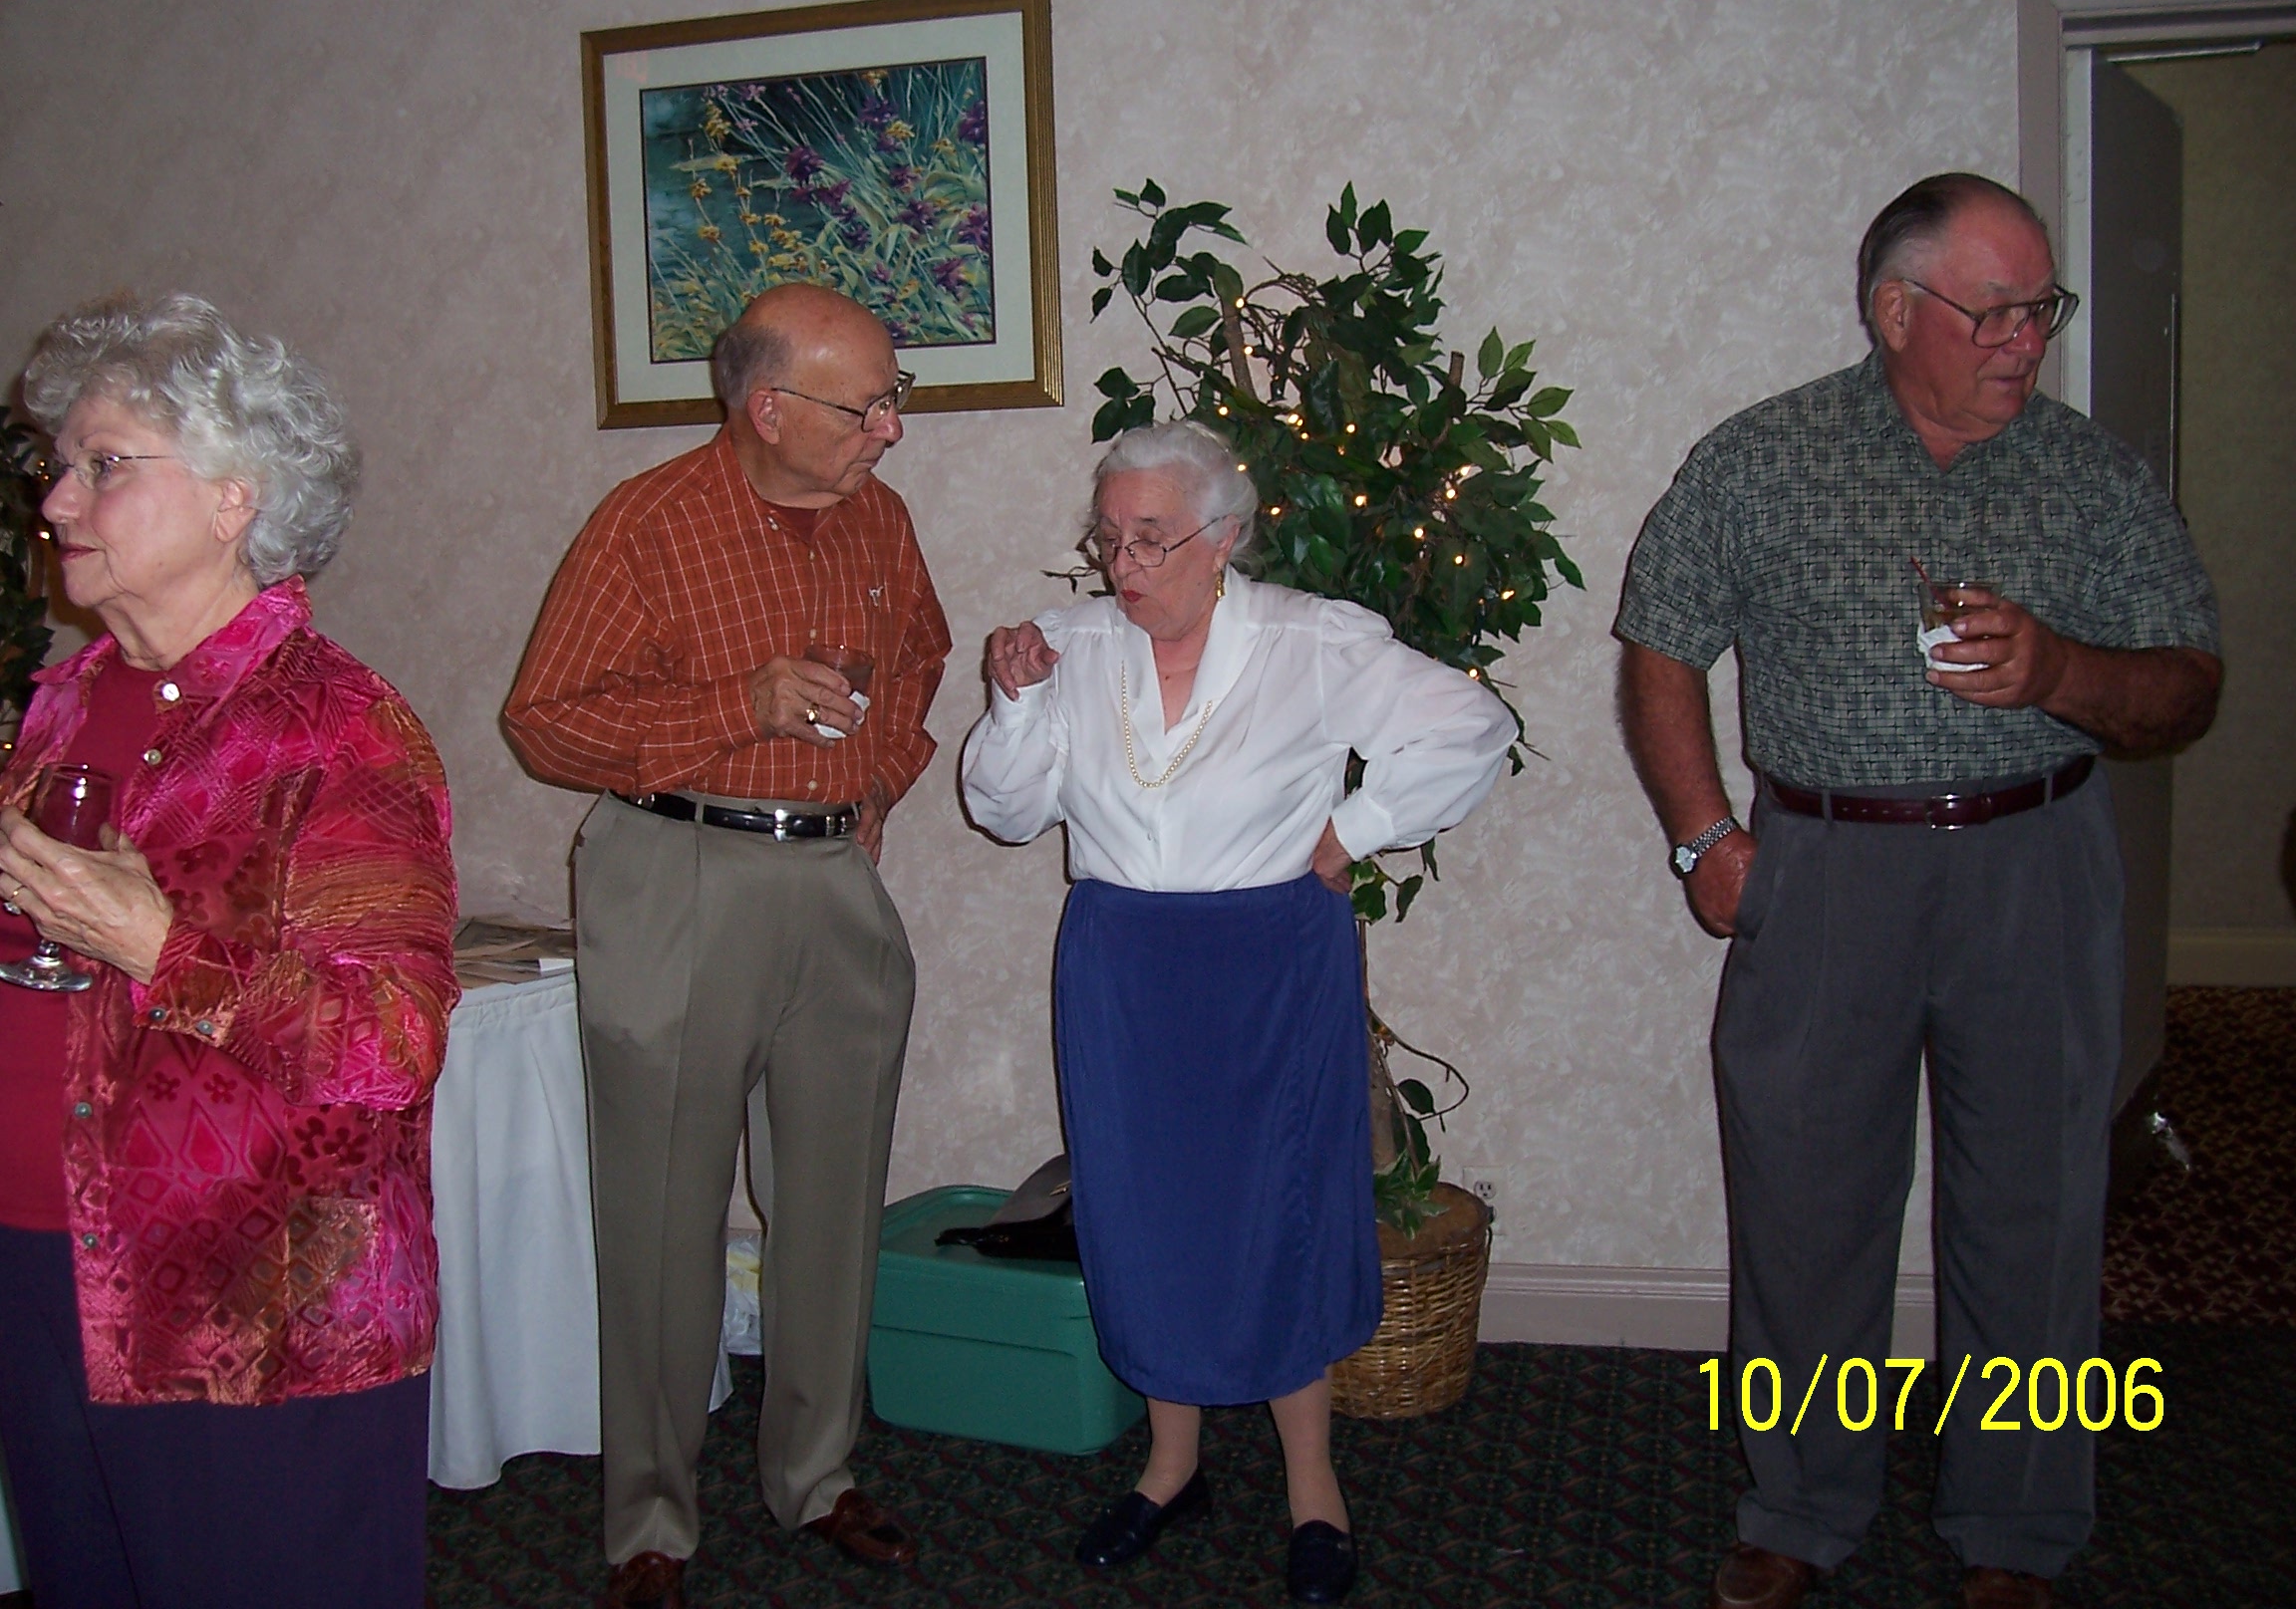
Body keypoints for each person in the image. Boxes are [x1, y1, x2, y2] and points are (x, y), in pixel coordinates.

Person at [1615, 173, 2220, 1609]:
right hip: (1826, 869)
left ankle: (2016, 1527)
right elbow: (1659, 643)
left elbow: (2189, 685)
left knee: (2035, 1211)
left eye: (2040, 310)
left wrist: (2060, 670)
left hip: (2036, 864)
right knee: (1803, 1208)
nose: (2027, 340)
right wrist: (1703, 839)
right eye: (1994, 312)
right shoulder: (1762, 459)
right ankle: (1795, 1503)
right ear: (1896, 312)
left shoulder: (2094, 476)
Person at [961, 421, 1514, 1605]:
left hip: (1269, 962)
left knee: (1281, 1209)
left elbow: (1473, 727)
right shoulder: (1067, 645)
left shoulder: (1311, 640)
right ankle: (1171, 1468)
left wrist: (1354, 831)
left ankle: (1314, 1486)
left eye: (1151, 537)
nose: (1123, 563)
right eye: (1108, 537)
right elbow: (1004, 813)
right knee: (1144, 1210)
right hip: (1122, 966)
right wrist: (1013, 707)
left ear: (1224, 537)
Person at [0, 293, 460, 1609]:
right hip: (42, 1262)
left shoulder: (339, 727)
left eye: (105, 465)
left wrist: (159, 943)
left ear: (232, 499)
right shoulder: (64, 700)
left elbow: (392, 1045)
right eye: (59, 467)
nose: (58, 504)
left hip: (248, 1305)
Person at [502, 282, 951, 1607]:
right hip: (678, 870)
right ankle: (649, 1519)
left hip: (832, 882)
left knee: (832, 1202)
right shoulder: (648, 525)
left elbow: (918, 661)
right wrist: (737, 704)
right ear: (768, 409)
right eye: (865, 406)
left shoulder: (880, 520)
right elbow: (546, 722)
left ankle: (815, 1472)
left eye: (893, 397)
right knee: (661, 1216)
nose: (889, 428)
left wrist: (879, 781)